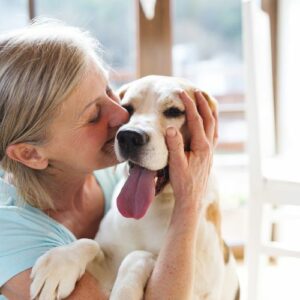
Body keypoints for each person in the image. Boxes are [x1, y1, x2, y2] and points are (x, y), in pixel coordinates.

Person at [0, 20, 217, 300]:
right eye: (93, 115)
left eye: (109, 91)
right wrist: (189, 202)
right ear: (31, 153)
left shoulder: (115, 176)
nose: (121, 117)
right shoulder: (8, 234)